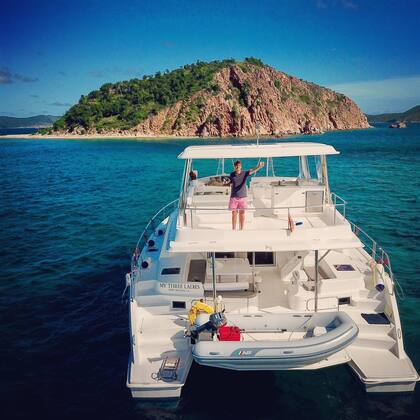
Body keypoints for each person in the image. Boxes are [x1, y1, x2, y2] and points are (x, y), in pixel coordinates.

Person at [229, 160, 264, 230]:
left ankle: (241, 229)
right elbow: (229, 183)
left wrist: (259, 167)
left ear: (241, 166)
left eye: (238, 165)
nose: (237, 166)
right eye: (236, 165)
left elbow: (253, 170)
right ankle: (233, 229)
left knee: (242, 213)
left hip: (242, 197)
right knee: (234, 214)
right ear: (234, 167)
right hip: (234, 197)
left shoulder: (244, 173)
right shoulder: (231, 174)